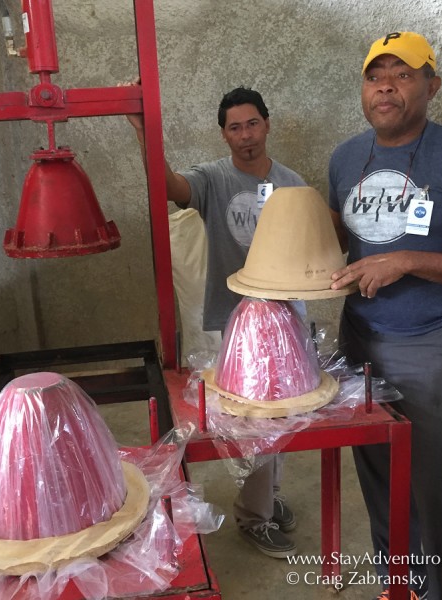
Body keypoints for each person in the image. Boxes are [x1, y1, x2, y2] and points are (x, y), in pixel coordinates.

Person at [328, 32, 442, 600]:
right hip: (360, 341)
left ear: (432, 84)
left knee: (432, 489)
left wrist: (406, 261)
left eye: (403, 74)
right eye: (376, 74)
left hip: (434, 344)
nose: (386, 85)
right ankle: (403, 588)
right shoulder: (347, 156)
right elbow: (332, 246)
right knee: (379, 479)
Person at [127, 86, 306, 558]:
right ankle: (254, 516)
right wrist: (146, 132)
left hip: (287, 321)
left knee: (282, 417)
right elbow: (169, 187)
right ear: (223, 135)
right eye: (234, 127)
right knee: (254, 423)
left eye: (252, 124)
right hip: (239, 324)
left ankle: (267, 496)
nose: (245, 135)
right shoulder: (213, 179)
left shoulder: (293, 183)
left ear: (267, 125)